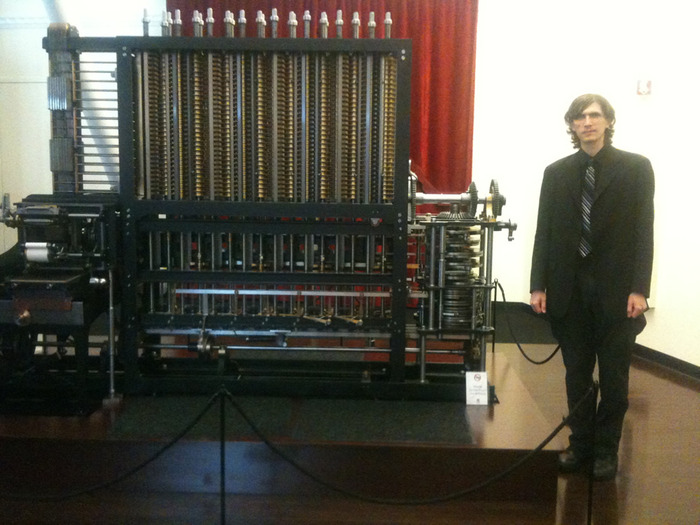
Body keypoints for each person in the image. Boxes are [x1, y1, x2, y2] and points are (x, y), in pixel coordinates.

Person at [529, 93, 654, 481]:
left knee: (615, 380)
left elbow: (644, 231)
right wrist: (538, 285)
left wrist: (640, 288)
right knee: (577, 375)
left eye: (595, 115)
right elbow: (544, 232)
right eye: (580, 116)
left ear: (608, 121)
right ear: (571, 125)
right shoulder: (556, 172)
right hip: (569, 290)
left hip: (618, 292)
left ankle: (606, 450)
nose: (587, 122)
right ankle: (580, 444)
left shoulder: (636, 168)